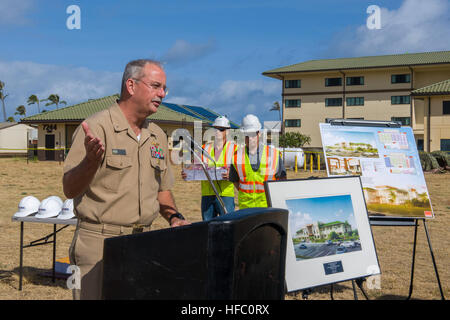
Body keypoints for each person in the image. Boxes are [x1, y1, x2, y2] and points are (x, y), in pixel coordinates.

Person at [63, 59, 190, 300]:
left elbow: (162, 189)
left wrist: (174, 217)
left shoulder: (157, 135)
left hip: (143, 243)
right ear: (131, 85)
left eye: (164, 88)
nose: (162, 94)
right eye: (155, 86)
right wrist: (90, 161)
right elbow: (69, 189)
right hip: (99, 244)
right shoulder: (96, 127)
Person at [182, 116, 236, 220]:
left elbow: (240, 170)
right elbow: (195, 166)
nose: (218, 132)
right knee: (207, 226)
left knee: (228, 225)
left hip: (226, 194)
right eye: (215, 129)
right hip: (207, 194)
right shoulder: (204, 148)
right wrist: (187, 172)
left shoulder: (235, 149)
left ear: (228, 131)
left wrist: (232, 174)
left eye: (221, 129)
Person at [229, 114, 286, 209]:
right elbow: (235, 181)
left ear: (259, 133)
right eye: (247, 135)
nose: (250, 138)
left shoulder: (274, 155)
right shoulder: (236, 157)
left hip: (267, 207)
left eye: (252, 134)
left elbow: (282, 179)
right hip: (246, 209)